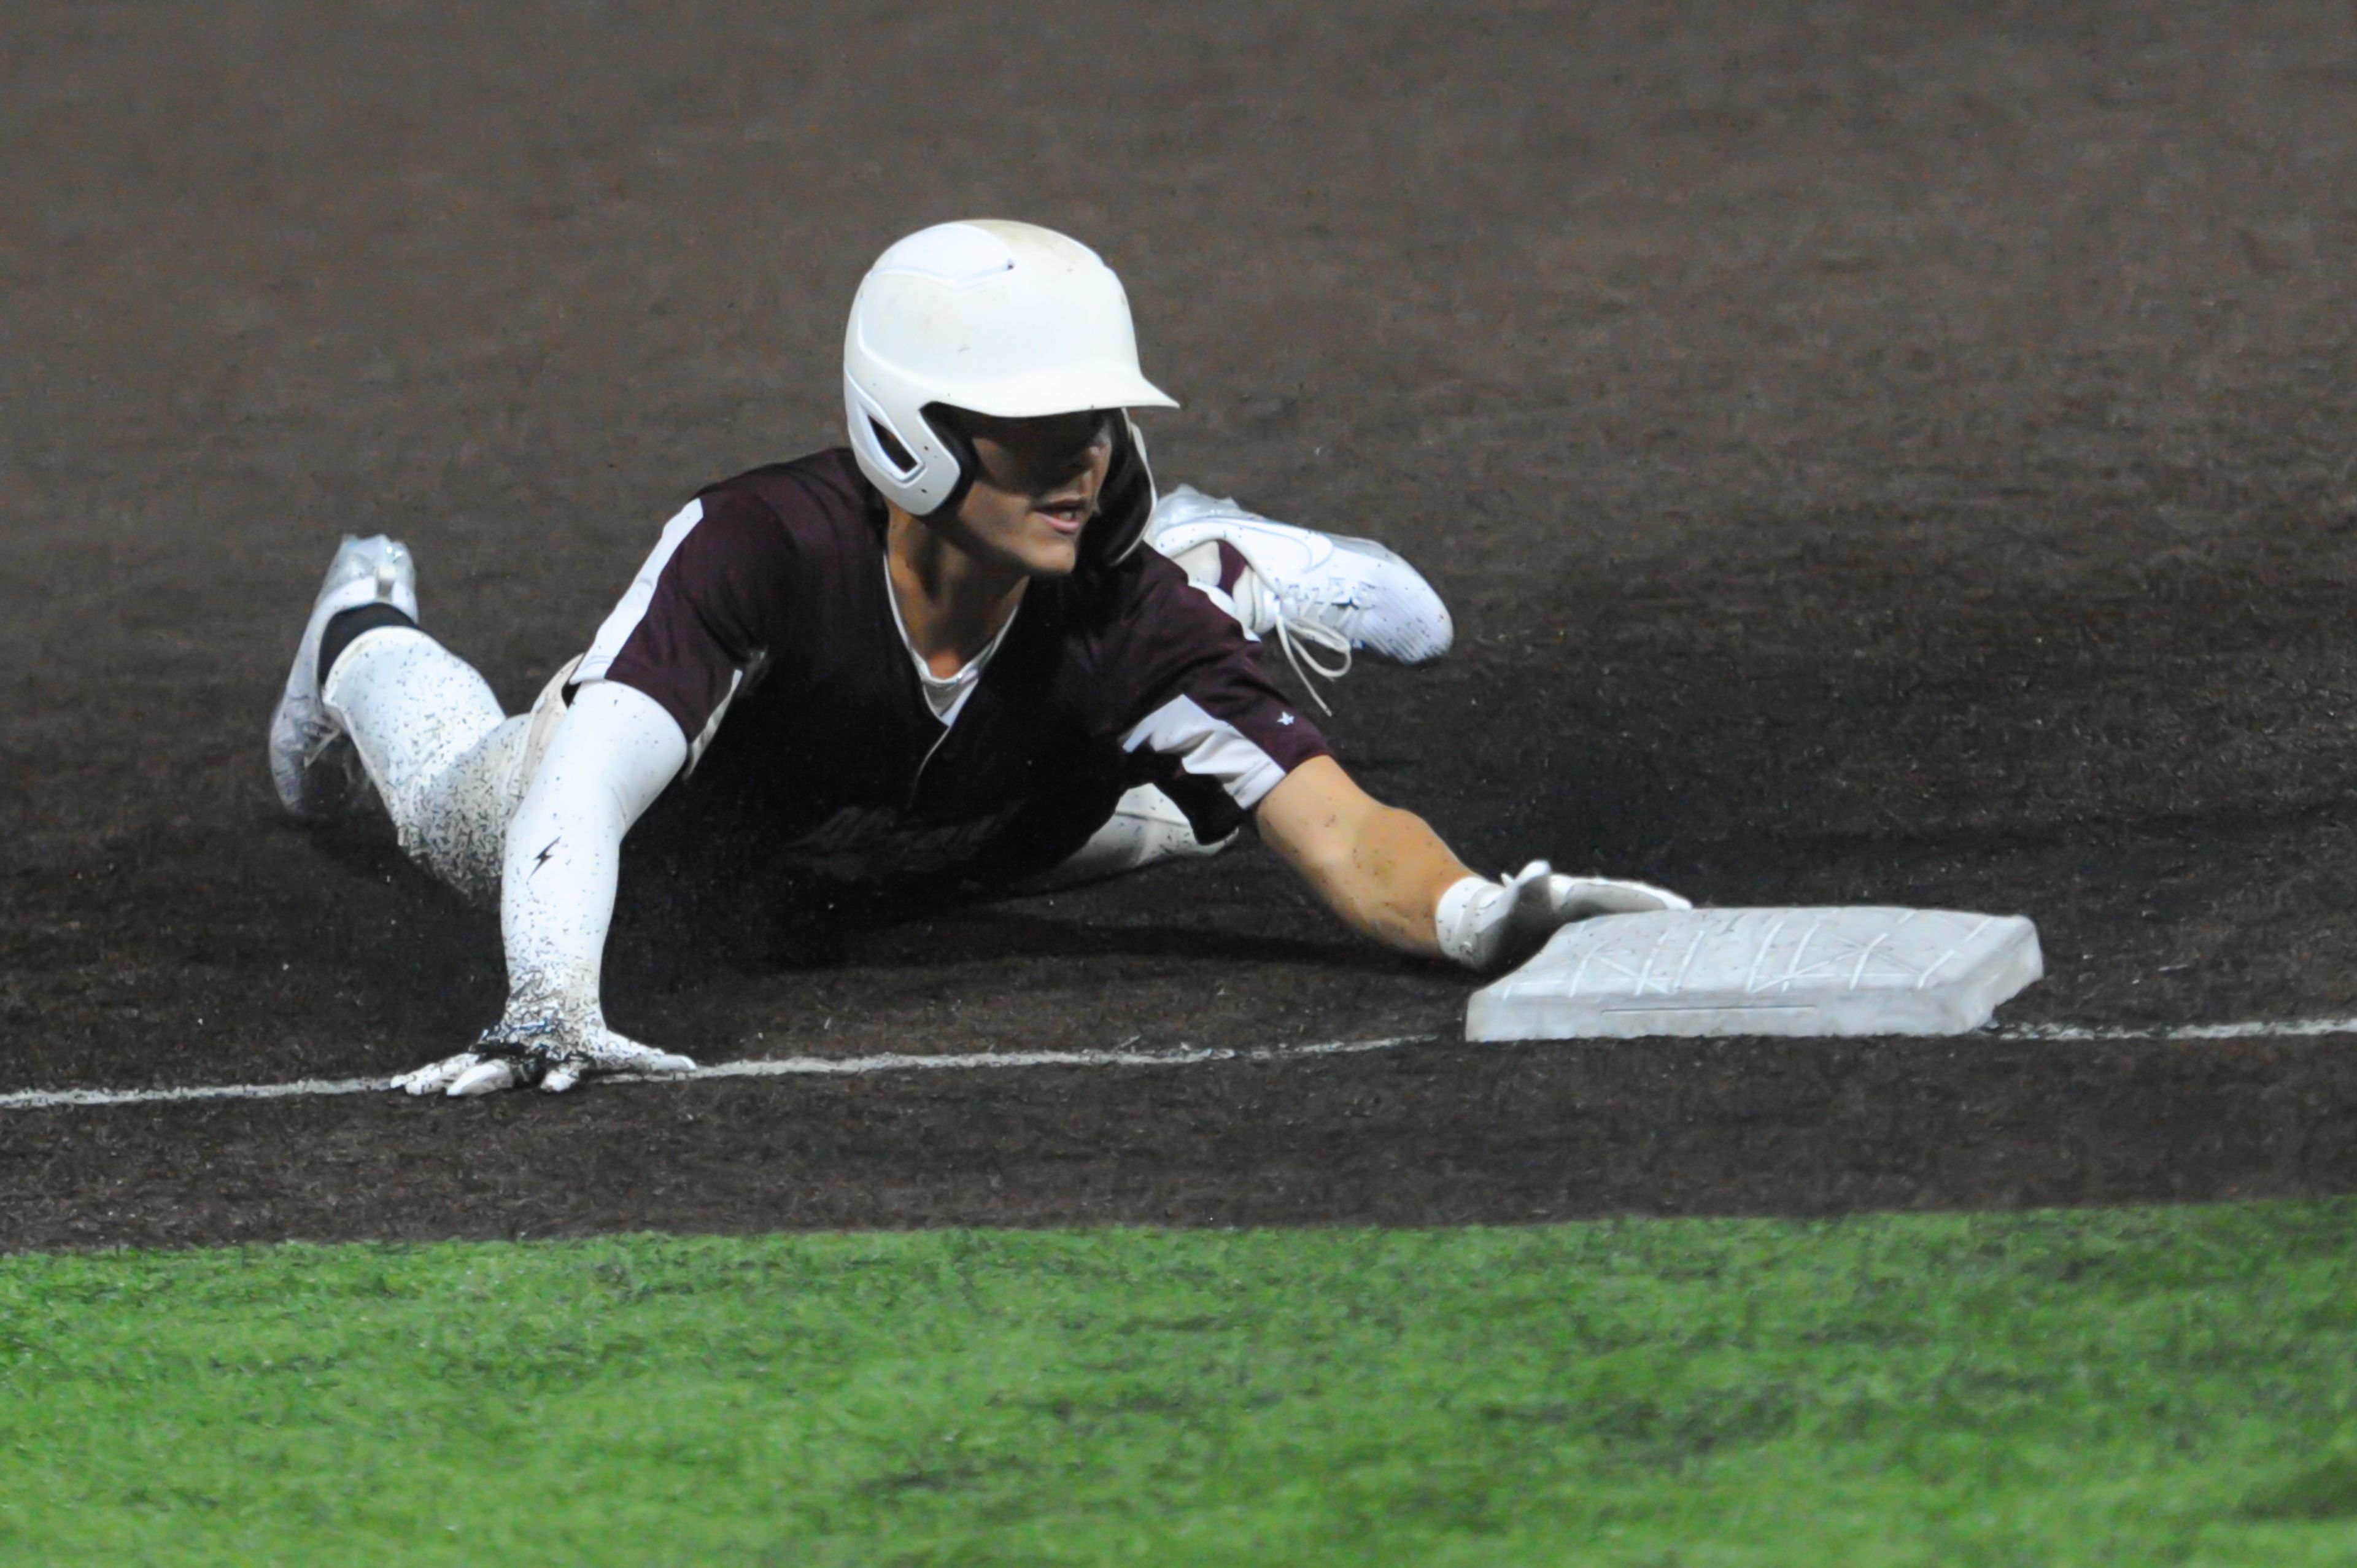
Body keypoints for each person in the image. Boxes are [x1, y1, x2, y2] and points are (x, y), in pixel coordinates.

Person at [266, 220, 1686, 1097]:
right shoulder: (759, 546)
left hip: (950, 828)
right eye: (1039, 426)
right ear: (915, 430)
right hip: (726, 833)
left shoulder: (1125, 619)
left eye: (1099, 429)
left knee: (1202, 813)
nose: (1082, 459)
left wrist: (1475, 919)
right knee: (469, 812)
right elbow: (581, 788)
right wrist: (551, 1003)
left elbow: (1348, 834)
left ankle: (1217, 565)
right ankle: (357, 626)